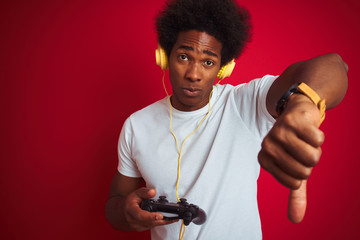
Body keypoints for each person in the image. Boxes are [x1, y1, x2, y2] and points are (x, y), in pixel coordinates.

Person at [105, 0, 348, 239]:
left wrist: (304, 103)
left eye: (208, 62)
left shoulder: (245, 103)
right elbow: (114, 204)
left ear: (223, 69)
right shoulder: (136, 125)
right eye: (183, 57)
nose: (194, 74)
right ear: (165, 58)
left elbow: (334, 65)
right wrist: (126, 212)